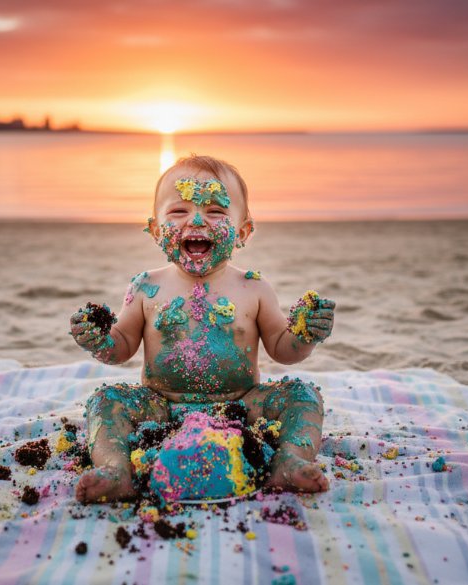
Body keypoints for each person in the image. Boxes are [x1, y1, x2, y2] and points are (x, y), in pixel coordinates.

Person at [70, 154, 335, 503]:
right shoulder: (145, 286)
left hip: (242, 406)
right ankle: (117, 470)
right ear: (155, 230)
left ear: (243, 231)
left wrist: (305, 336)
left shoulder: (254, 288)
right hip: (160, 406)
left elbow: (282, 349)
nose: (196, 220)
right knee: (105, 401)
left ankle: (289, 461)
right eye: (178, 212)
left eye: (216, 211)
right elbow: (121, 346)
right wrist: (99, 340)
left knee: (303, 395)